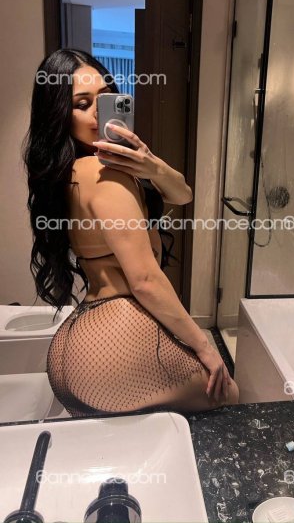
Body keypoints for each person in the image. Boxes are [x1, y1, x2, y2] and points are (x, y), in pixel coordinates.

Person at [22, 49, 239, 417]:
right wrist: (205, 346)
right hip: (117, 341)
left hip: (72, 351)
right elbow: (144, 280)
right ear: (60, 114)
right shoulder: (103, 174)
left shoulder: (68, 173)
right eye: (82, 104)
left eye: (105, 97)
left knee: (128, 438)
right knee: (228, 394)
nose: (97, 112)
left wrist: (149, 165)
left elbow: (182, 194)